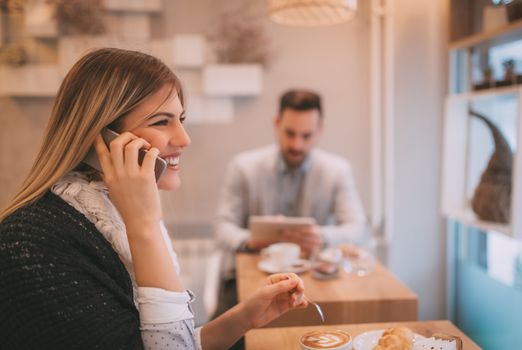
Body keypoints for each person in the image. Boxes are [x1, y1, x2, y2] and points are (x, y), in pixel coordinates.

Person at [0, 48, 308, 350]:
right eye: (162, 122)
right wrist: (144, 224)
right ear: (103, 139)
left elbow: (164, 343)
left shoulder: (112, 217)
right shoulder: (35, 240)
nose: (184, 138)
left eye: (180, 119)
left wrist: (243, 317)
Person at [214, 89, 367, 312]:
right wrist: (250, 241)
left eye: (306, 136)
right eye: (290, 133)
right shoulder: (243, 167)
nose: (297, 145)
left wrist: (321, 237)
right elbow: (221, 227)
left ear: (320, 130)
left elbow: (358, 228)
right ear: (276, 123)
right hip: (251, 274)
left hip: (311, 278)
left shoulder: (337, 171)